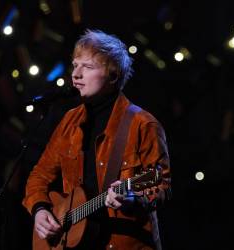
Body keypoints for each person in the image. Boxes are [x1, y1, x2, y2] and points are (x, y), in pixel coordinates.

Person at [22, 29, 171, 250]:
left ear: (113, 75)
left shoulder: (142, 124)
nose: (76, 74)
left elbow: (161, 183)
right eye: (75, 65)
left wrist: (132, 198)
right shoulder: (69, 122)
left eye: (88, 67)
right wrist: (40, 209)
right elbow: (39, 175)